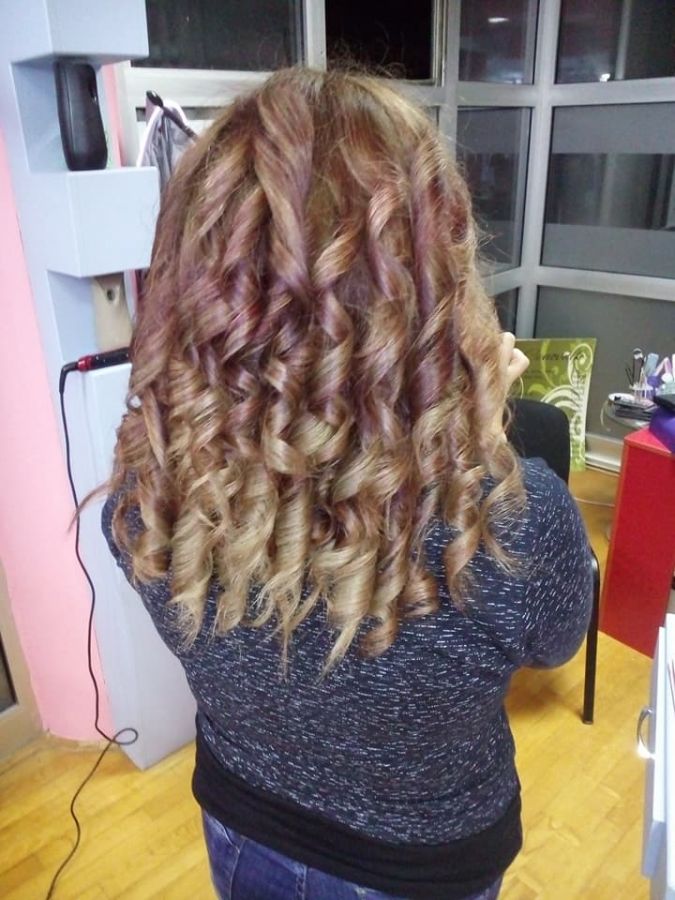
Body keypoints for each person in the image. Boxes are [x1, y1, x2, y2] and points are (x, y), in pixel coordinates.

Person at [101, 67, 593, 900]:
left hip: (242, 825)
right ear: (430, 277)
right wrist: (479, 428)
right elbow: (555, 643)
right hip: (421, 868)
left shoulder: (149, 490)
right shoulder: (513, 519)